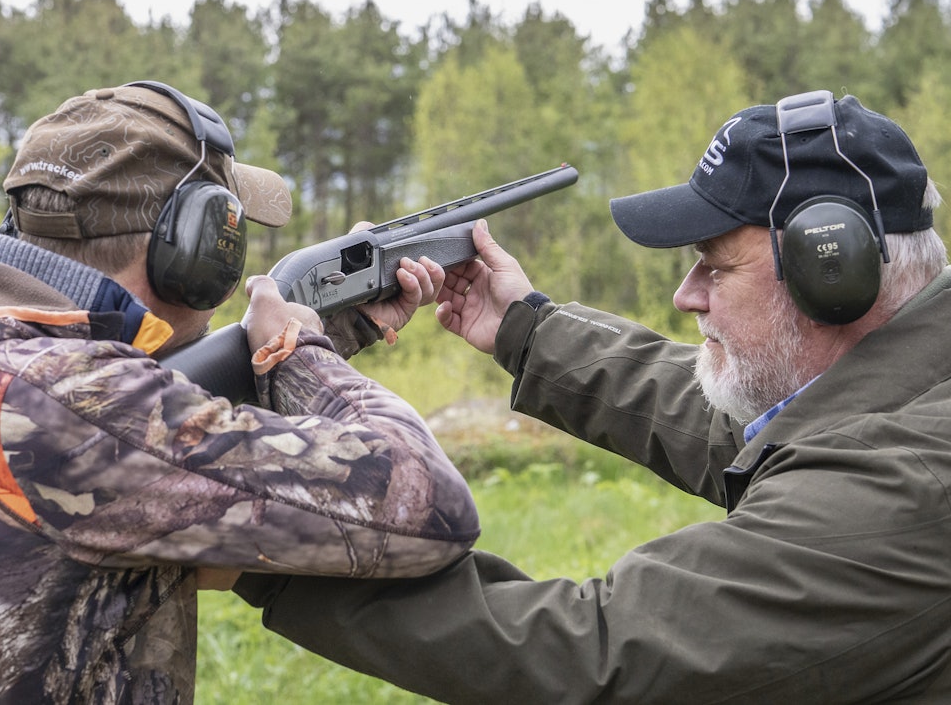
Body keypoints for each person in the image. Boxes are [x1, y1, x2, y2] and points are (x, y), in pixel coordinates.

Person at [233, 90, 951, 704]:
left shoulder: (901, 489)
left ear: (834, 274)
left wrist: (260, 545)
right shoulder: (900, 386)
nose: (684, 296)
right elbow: (722, 420)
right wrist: (522, 327)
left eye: (716, 267)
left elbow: (592, 651)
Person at [0, 80, 477, 703]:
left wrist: (334, 326)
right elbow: (428, 508)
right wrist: (299, 352)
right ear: (191, 252)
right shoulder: (64, 403)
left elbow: (175, 423)